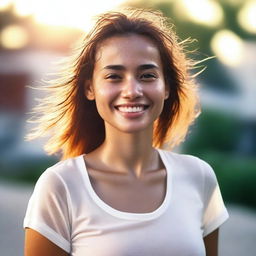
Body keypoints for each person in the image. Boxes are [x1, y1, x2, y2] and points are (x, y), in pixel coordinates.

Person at [23, 8, 229, 256]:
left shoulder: (199, 177)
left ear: (166, 87)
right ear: (90, 89)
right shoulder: (60, 186)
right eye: (114, 76)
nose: (132, 90)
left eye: (147, 75)